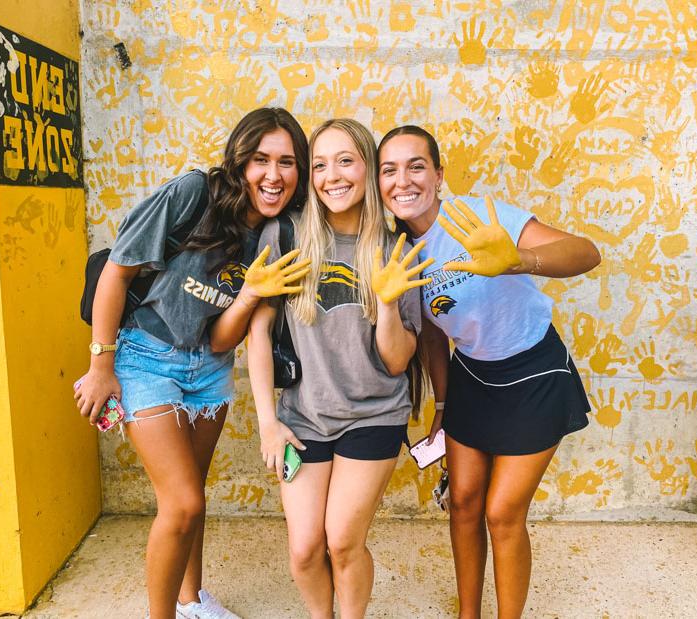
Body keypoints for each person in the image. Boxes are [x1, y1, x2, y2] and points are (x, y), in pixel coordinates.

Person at [74, 107, 312, 619]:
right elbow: (116, 273)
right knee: (182, 504)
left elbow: (225, 341)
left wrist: (248, 296)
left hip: (209, 370)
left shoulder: (278, 234)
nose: (273, 175)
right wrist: (101, 365)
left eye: (287, 162)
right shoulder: (192, 195)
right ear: (239, 160)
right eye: (260, 160)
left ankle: (192, 601)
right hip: (144, 358)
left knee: (191, 496)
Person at [378, 125, 601, 618]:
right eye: (389, 170)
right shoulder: (397, 251)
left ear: (439, 174)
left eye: (416, 166)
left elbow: (586, 252)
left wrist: (519, 261)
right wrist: (442, 402)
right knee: (462, 503)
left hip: (535, 374)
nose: (403, 180)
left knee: (501, 514)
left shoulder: (479, 217)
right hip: (472, 379)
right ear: (379, 184)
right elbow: (435, 334)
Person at [246, 118, 432, 619]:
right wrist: (268, 422)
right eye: (321, 164)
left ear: (368, 169)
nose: (332, 176)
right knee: (306, 549)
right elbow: (258, 332)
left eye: (346, 160)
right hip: (303, 417)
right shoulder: (285, 234)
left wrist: (389, 305)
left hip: (373, 415)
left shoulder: (395, 249)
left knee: (343, 542)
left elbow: (397, 360)